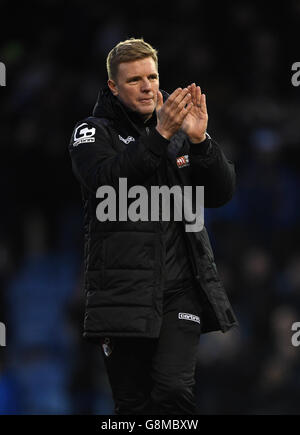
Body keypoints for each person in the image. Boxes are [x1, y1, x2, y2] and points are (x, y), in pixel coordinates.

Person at [69, 37, 238, 415]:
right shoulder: (92, 132)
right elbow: (108, 181)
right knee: (132, 405)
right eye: (135, 80)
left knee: (175, 391)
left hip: (180, 290)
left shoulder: (182, 132)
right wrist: (160, 137)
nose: (148, 87)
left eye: (152, 76)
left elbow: (221, 194)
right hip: (122, 291)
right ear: (113, 86)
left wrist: (201, 142)